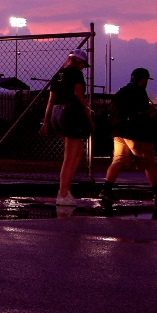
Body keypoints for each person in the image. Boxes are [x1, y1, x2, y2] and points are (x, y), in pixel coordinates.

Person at [40, 49, 94, 206]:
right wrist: (89, 118)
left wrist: (46, 121)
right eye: (83, 64)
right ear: (79, 62)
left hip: (57, 113)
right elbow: (79, 97)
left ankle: (65, 189)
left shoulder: (59, 74)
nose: (84, 67)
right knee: (70, 156)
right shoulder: (76, 74)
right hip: (70, 113)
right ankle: (62, 193)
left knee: (77, 153)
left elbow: (50, 100)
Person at [102, 68, 157, 203]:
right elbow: (141, 110)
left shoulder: (122, 91)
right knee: (149, 163)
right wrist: (153, 109)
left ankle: (106, 191)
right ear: (143, 80)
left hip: (118, 132)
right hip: (134, 133)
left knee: (118, 160)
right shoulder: (139, 91)